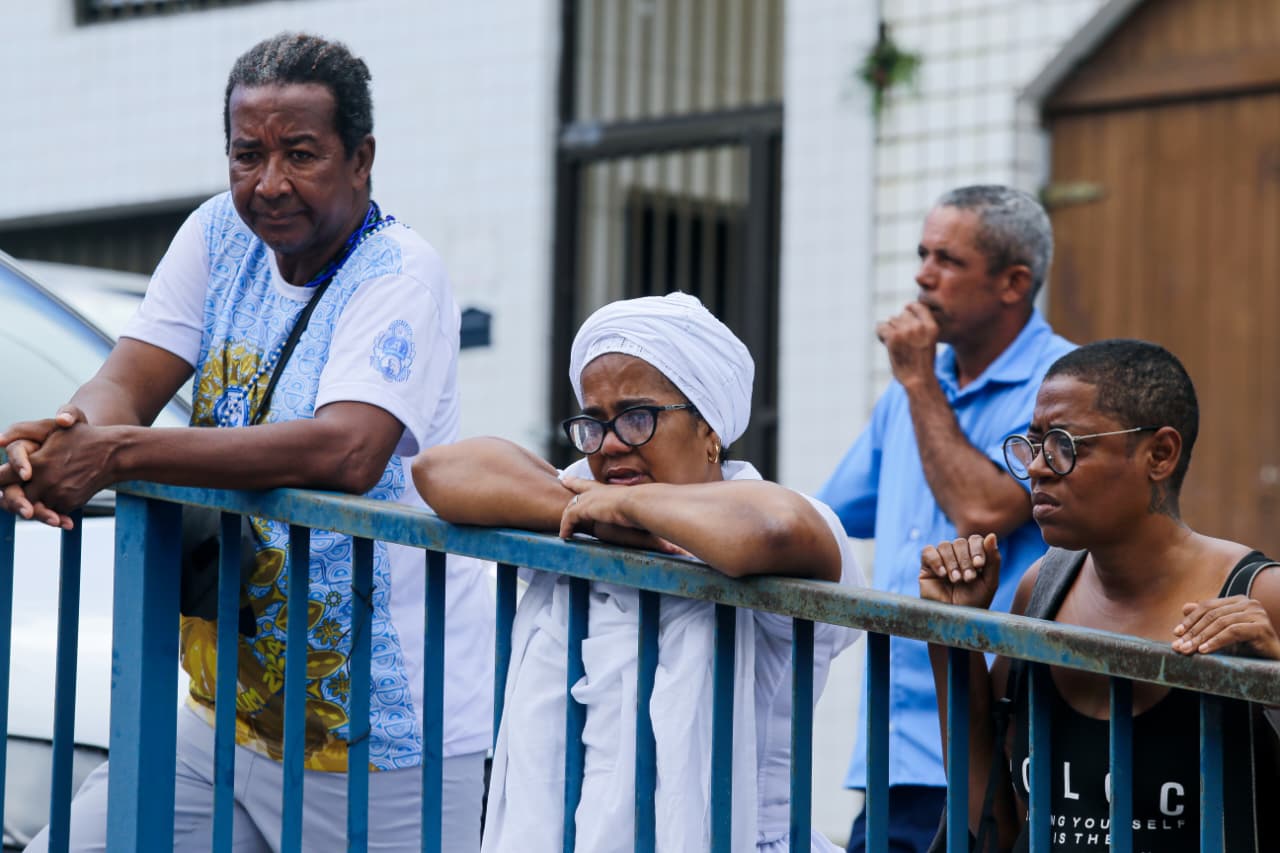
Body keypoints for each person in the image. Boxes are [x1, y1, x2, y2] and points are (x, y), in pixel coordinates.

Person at [0, 33, 492, 851]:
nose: (269, 183)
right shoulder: (215, 237)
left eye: (301, 154)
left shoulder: (399, 273)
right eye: (246, 155)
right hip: (222, 715)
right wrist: (67, 435)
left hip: (383, 743)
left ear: (361, 159)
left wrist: (116, 454)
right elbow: (126, 378)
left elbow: (348, 450)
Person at [413, 291, 866, 852]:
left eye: (637, 418)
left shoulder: (766, 513)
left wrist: (623, 508)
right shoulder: (587, 504)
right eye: (595, 424)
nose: (610, 445)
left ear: (710, 431)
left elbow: (773, 529)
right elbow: (441, 469)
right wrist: (599, 520)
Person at [920, 339, 1280, 851]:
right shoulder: (1041, 587)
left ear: (1160, 454)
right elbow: (994, 820)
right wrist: (950, 634)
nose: (1040, 467)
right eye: (1034, 442)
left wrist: (1272, 679)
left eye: (1067, 444)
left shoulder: (1257, 596)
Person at [817, 185, 1075, 853]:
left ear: (1013, 282)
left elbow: (986, 508)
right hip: (893, 747)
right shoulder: (912, 391)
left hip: (997, 744)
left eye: (947, 260)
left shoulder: (1063, 383)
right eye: (922, 253)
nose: (922, 276)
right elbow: (829, 516)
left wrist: (918, 383)